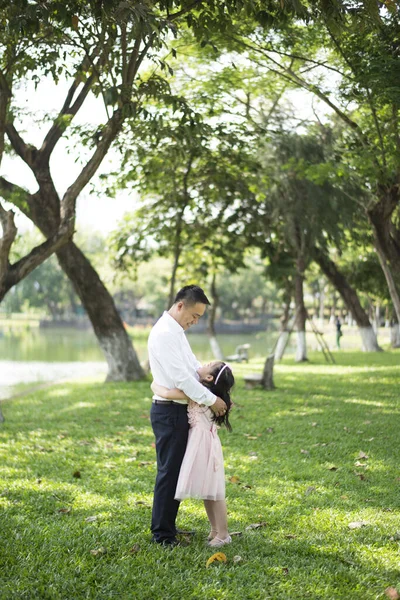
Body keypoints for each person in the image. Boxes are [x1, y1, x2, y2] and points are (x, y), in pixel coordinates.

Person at [148, 285, 227, 547]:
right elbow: (181, 379)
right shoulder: (164, 333)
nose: (194, 321)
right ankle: (162, 534)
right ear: (180, 305)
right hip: (168, 411)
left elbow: (190, 364)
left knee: (174, 471)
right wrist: (212, 399)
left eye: (199, 318)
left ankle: (167, 526)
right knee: (169, 473)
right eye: (194, 315)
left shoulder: (176, 331)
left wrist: (201, 372)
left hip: (178, 408)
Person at [152, 360, 234, 548]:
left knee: (215, 491)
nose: (205, 362)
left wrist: (154, 384)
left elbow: (166, 393)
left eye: (210, 363)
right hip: (202, 443)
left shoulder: (197, 393)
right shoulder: (208, 394)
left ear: (209, 377)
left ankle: (223, 533)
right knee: (208, 489)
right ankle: (214, 529)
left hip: (204, 445)